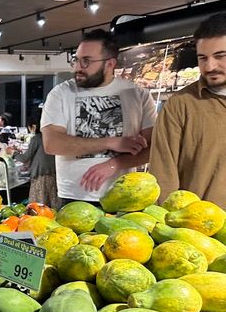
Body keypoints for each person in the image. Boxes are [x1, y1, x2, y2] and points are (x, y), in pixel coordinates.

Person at [41, 29, 156, 206]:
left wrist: (115, 164)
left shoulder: (138, 95)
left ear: (110, 64)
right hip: (74, 197)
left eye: (86, 61)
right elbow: (52, 144)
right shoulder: (61, 93)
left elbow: (153, 148)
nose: (78, 67)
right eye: (76, 60)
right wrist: (111, 142)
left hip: (125, 196)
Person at [150, 14, 226, 205]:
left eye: (220, 56)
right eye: (203, 58)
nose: (210, 66)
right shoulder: (179, 105)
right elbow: (163, 175)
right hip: (200, 230)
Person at [16, 110, 58, 207]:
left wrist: (13, 153)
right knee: (52, 204)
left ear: (34, 126)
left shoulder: (37, 138)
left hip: (41, 177)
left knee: (38, 206)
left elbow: (25, 158)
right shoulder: (52, 137)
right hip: (54, 175)